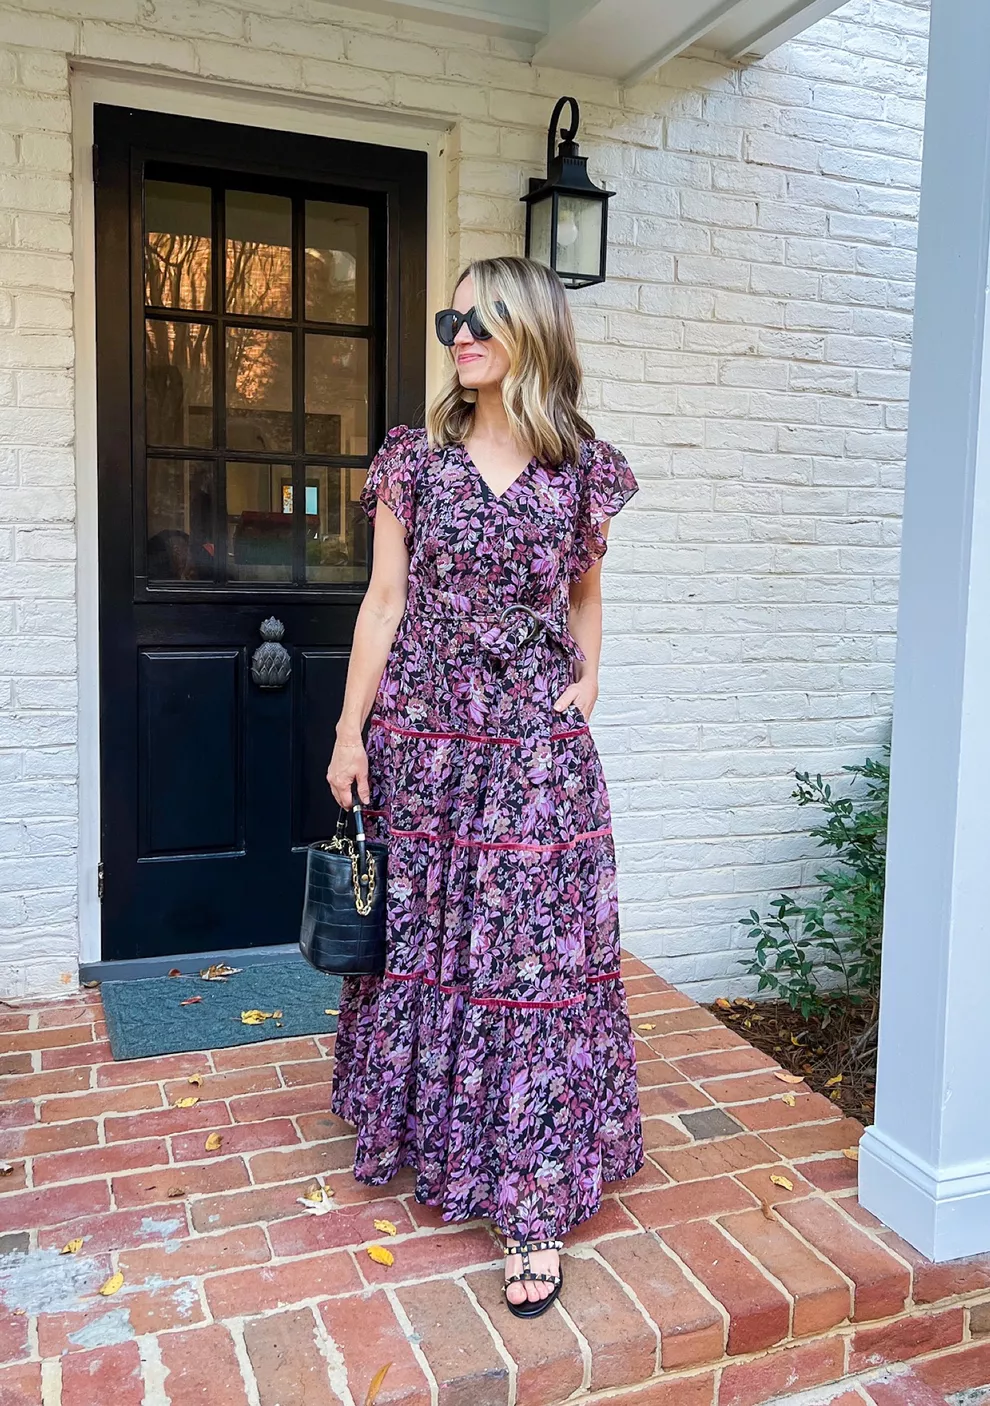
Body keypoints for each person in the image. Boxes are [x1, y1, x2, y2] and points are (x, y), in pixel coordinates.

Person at [325, 255, 644, 1320]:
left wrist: (589, 677)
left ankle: (533, 1204)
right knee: (431, 946)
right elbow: (382, 603)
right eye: (450, 316)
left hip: (534, 759)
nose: (458, 333)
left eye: (480, 317)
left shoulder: (579, 469)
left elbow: (586, 594)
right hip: (425, 746)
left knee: (531, 965)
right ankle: (435, 1133)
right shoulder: (413, 462)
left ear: (531, 332)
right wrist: (348, 730)